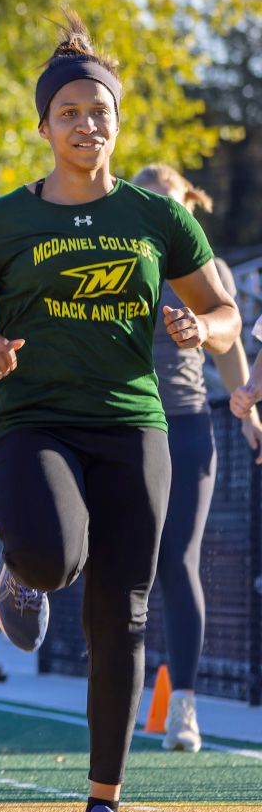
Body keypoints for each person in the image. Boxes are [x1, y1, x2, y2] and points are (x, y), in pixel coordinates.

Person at [0, 18, 239, 812]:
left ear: (118, 122)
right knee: (56, 557)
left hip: (134, 424)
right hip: (33, 421)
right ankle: (21, 575)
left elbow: (226, 309)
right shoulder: (3, 223)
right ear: (43, 126)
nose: (85, 124)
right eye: (68, 111)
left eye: (99, 111)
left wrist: (201, 330)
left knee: (121, 617)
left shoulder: (155, 216)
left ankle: (104, 809)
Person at [136, 164, 257, 755]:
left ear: (188, 208)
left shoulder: (207, 268)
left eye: (171, 204)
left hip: (185, 424)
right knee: (120, 561)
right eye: (148, 201)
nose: (162, 213)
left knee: (177, 560)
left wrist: (248, 411)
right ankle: (121, 687)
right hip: (119, 426)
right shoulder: (118, 257)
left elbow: (229, 342)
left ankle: (183, 705)